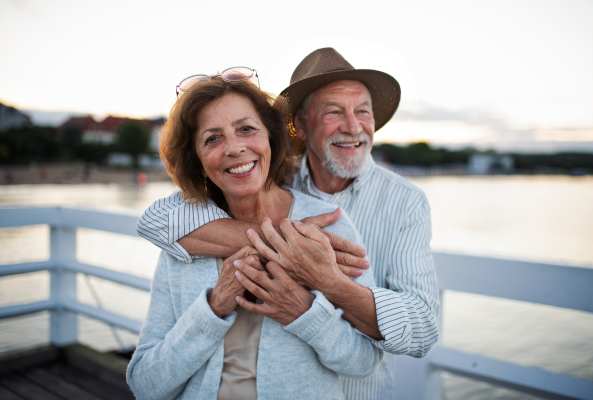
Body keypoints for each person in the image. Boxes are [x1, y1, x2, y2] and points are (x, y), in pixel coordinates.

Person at [137, 49, 439, 399]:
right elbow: (154, 221)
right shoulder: (248, 182)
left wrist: (323, 284)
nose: (353, 127)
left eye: (362, 111)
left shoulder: (403, 203)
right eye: (333, 112)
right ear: (298, 124)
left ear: (268, 136)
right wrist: (278, 244)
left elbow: (419, 331)